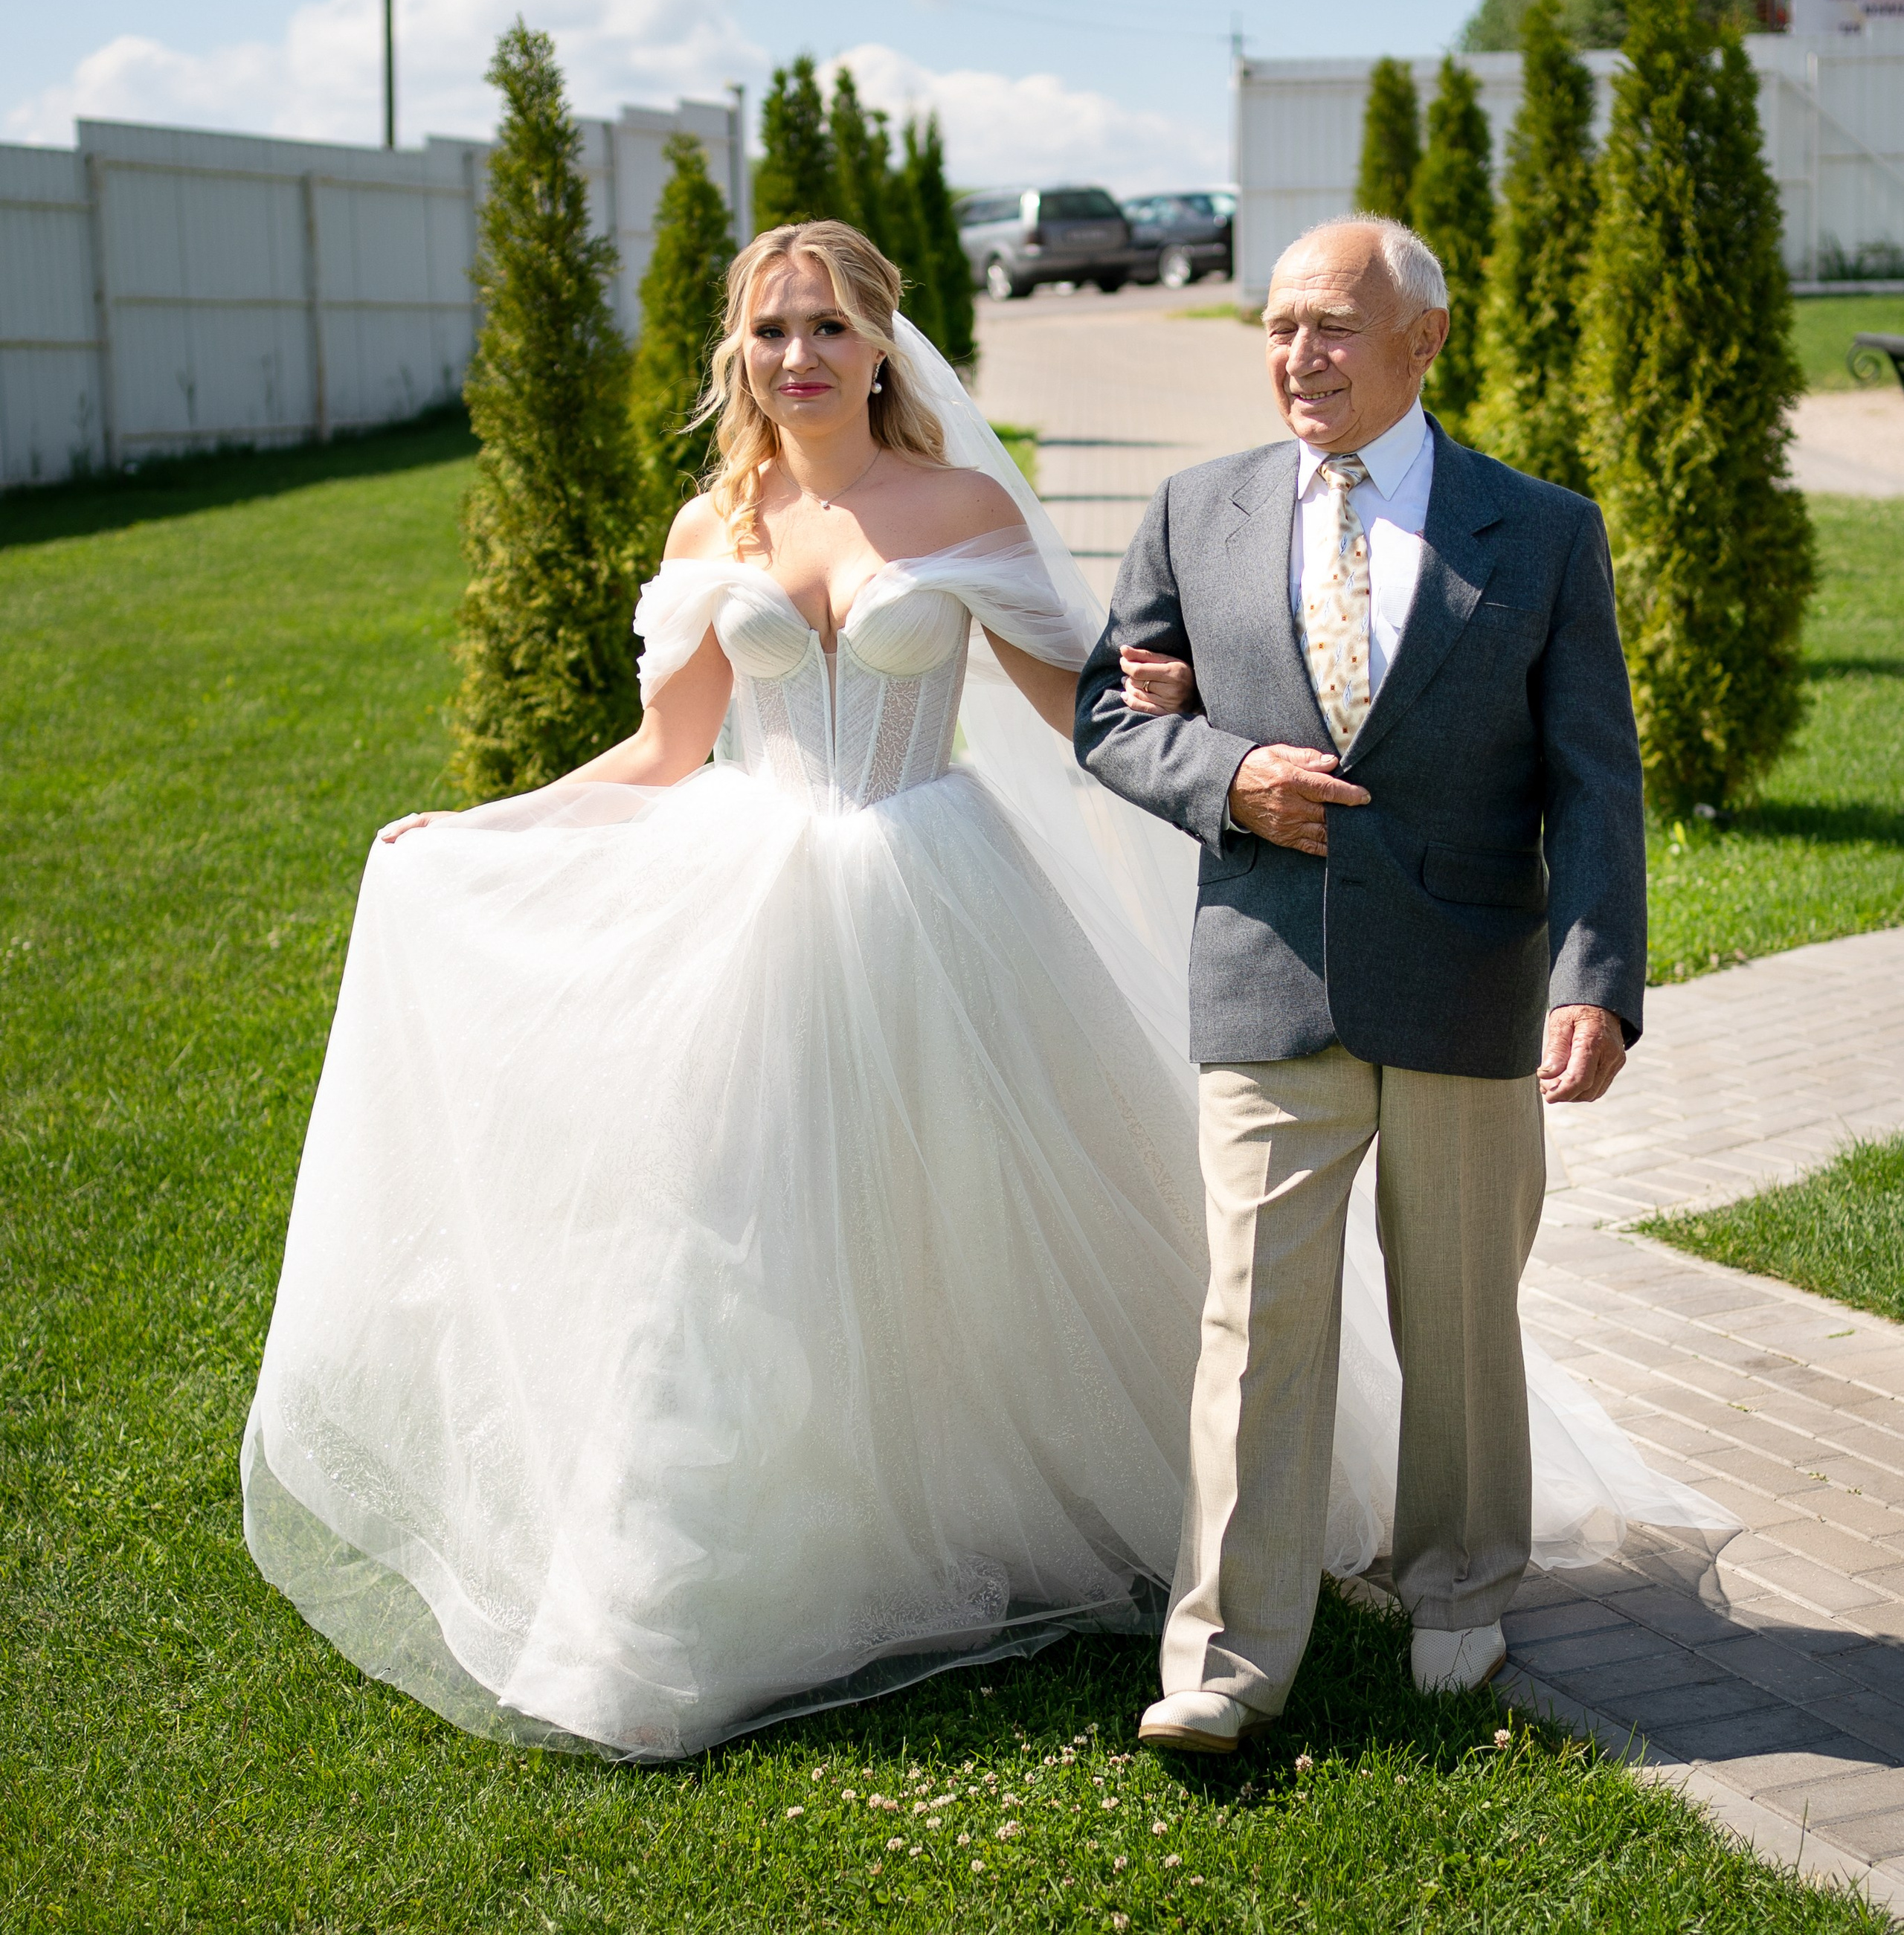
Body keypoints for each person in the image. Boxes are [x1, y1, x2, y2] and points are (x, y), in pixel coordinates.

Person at [245, 217, 1720, 1765]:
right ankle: (751, 1576)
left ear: (883, 343)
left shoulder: (956, 505)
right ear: (736, 356)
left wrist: (1182, 722)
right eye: (767, 332)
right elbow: (663, 755)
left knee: (1059, 1247)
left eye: (825, 326)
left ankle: (1404, 1583)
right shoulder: (711, 529)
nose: (797, 356)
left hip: (936, 904)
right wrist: (481, 829)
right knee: (737, 1245)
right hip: (750, 914)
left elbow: (1094, 696)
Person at [1076, 213, 1664, 1754]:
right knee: (1252, 1322)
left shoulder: (1535, 531)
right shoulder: (1193, 511)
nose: (1296, 356)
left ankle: (1460, 1586)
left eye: (1331, 326)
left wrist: (1592, 977)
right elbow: (1107, 712)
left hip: (1471, 983)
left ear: (1424, 340)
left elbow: (1592, 780)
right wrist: (1225, 776)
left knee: (1460, 1316)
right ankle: (1221, 1662)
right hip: (1264, 976)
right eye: (1275, 326)